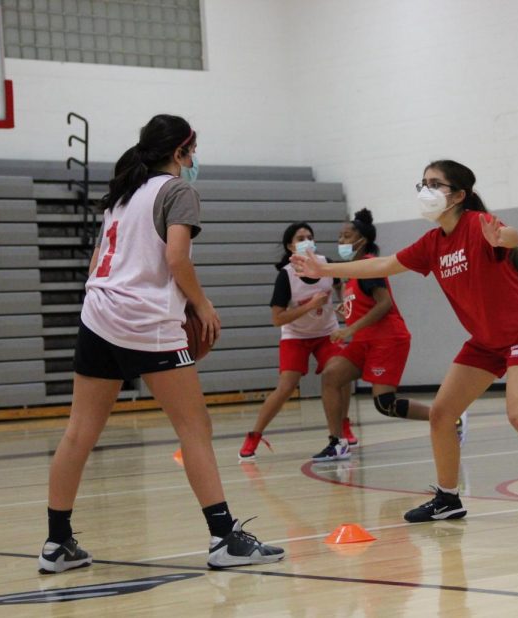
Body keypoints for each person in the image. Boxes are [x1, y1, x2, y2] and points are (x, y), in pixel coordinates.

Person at [292, 160, 518, 531]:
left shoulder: (477, 225)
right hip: (485, 342)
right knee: (442, 413)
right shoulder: (432, 243)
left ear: (459, 195)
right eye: (422, 183)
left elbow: (512, 236)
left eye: (435, 183)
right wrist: (325, 270)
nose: (425, 190)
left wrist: (502, 238)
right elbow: (386, 265)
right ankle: (447, 498)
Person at [39, 114, 284, 573]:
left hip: (97, 315)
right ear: (180, 152)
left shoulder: (123, 194)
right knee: (195, 429)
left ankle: (56, 544)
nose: (195, 160)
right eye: (193, 151)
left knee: (79, 432)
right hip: (146, 321)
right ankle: (223, 537)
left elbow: (97, 264)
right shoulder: (178, 191)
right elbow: (176, 257)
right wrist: (202, 305)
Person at [312, 208, 469, 462]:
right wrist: (345, 308)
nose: (341, 241)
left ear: (362, 239)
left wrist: (350, 328)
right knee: (331, 376)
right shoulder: (352, 270)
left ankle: (452, 419)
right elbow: (361, 304)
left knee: (385, 403)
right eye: (339, 237)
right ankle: (337, 442)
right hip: (364, 340)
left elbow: (383, 304)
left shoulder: (370, 266)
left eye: (347, 236)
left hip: (387, 339)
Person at [239, 222, 352, 460]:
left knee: (341, 373)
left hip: (326, 333)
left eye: (309, 236)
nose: (306, 240)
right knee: (286, 387)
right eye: (300, 238)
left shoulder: (326, 264)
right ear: (291, 246)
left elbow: (342, 286)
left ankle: (342, 426)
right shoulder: (286, 276)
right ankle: (254, 435)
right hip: (296, 335)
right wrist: (311, 305)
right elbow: (277, 319)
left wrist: (342, 305)